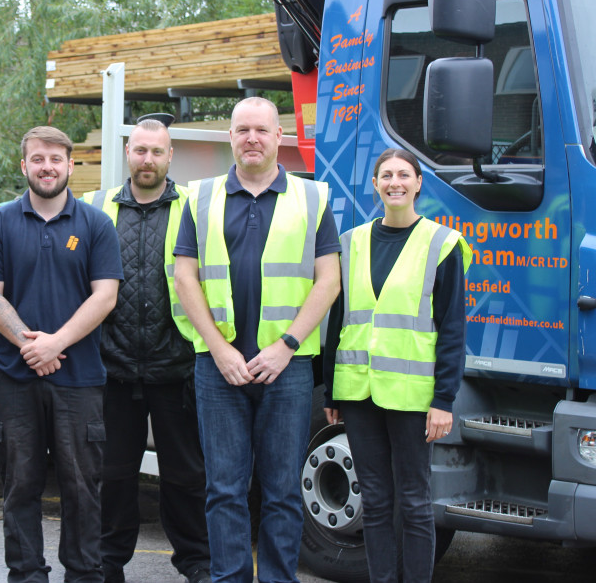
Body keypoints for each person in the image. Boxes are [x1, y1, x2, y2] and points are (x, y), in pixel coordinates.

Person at [173, 97, 341, 583]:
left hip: (286, 369)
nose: (251, 138)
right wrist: (220, 349)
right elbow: (186, 279)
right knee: (223, 489)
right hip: (218, 368)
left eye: (261, 130)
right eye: (242, 129)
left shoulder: (312, 198)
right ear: (230, 137)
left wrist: (286, 345)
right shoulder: (200, 197)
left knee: (283, 491)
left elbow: (327, 281)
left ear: (279, 138)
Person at [0, 126, 123, 583]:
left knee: (82, 486)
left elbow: (106, 296)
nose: (47, 167)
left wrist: (54, 344)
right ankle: (26, 575)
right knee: (20, 484)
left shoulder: (96, 224)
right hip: (14, 379)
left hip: (79, 378)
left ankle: (82, 575)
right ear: (24, 166)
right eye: (38, 159)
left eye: (56, 160)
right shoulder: (0, 223)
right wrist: (29, 345)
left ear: (70, 166)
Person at [323, 148, 469, 583]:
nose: (395, 183)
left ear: (419, 183)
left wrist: (444, 400)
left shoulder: (442, 244)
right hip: (359, 392)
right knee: (376, 499)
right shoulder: (351, 243)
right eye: (385, 175)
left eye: (404, 174)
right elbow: (338, 321)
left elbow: (453, 327)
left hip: (412, 395)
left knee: (415, 501)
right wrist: (332, 391)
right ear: (375, 184)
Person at [81, 118, 210, 583]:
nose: (148, 159)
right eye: (140, 151)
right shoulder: (96, 208)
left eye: (157, 151)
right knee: (111, 475)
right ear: (128, 154)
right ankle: (106, 563)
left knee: (187, 476)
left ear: (170, 156)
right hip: (112, 367)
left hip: (176, 367)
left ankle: (198, 562)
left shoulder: (195, 207)